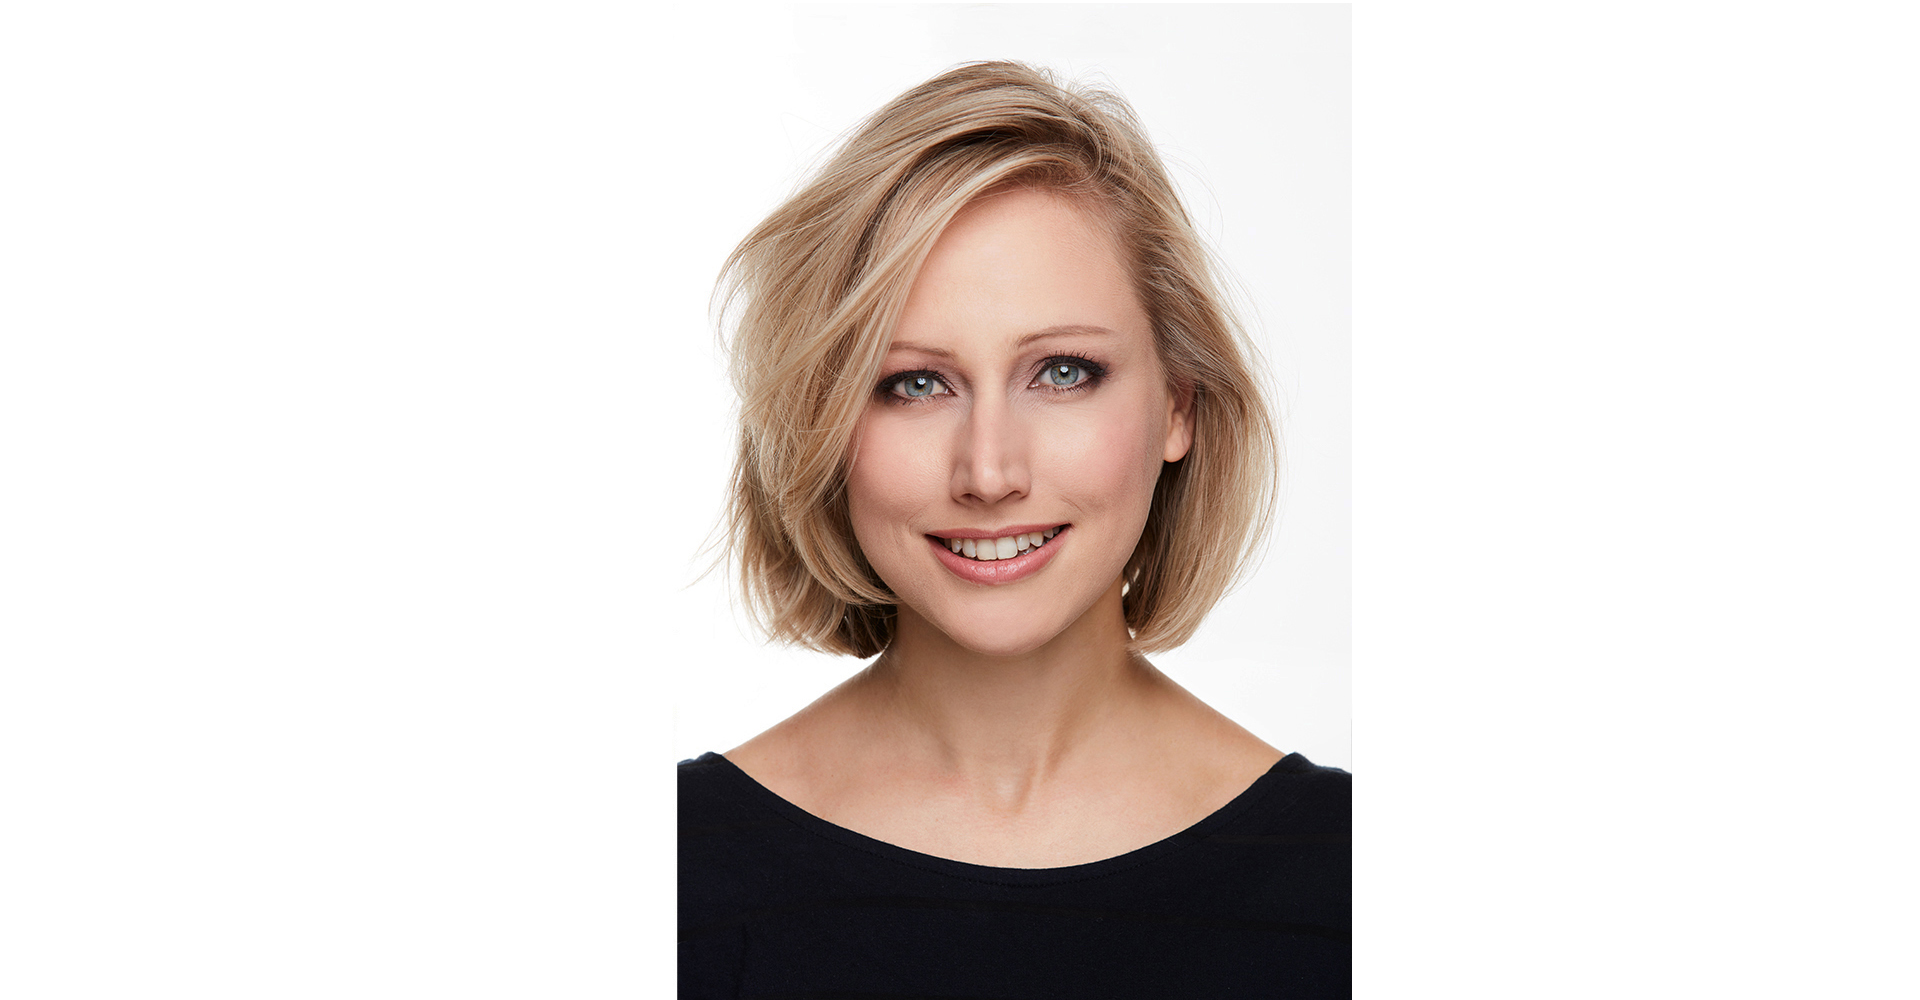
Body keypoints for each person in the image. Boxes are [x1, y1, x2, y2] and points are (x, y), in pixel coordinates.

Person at [679, 62, 1348, 997]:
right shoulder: (671, 883)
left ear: (1178, 407)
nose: (989, 473)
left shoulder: (1353, 889)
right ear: (826, 425)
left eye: (1064, 373)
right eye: (914, 383)